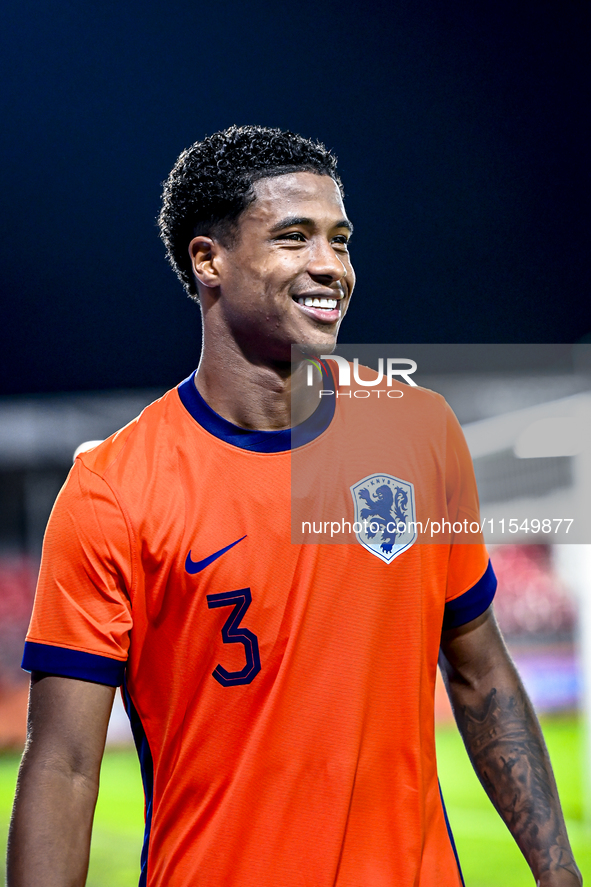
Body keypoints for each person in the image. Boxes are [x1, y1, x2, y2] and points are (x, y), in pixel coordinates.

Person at [7, 125, 581, 887]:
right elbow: (67, 764)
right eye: (292, 237)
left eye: (339, 240)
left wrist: (559, 873)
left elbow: (480, 673)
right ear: (207, 260)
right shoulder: (114, 488)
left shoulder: (417, 431)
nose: (328, 266)